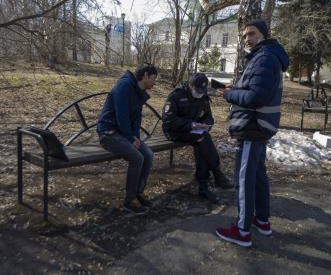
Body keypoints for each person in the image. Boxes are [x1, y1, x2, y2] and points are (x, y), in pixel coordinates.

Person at [215, 19, 289, 247]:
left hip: (252, 127)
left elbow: (256, 97)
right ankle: (262, 221)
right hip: (259, 126)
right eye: (245, 35)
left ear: (264, 35)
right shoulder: (265, 57)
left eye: (252, 34)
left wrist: (229, 95)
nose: (248, 39)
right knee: (258, 176)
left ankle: (242, 231)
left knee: (244, 179)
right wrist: (236, 89)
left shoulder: (264, 58)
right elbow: (256, 90)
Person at [162, 73, 233, 204]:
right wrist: (191, 124)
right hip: (174, 132)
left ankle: (205, 185)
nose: (200, 93)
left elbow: (208, 117)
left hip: (194, 132)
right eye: (198, 90)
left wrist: (205, 125)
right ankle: (215, 175)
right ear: (190, 85)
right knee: (202, 139)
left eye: (203, 91)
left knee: (201, 142)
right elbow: (168, 120)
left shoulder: (203, 97)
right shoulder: (177, 95)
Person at [97, 64, 158, 215]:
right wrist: (131, 138)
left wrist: (135, 137)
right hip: (108, 133)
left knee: (148, 154)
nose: (155, 82)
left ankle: (138, 193)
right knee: (137, 158)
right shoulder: (124, 86)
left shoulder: (140, 92)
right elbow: (121, 116)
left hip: (124, 134)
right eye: (154, 78)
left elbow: (136, 119)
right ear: (145, 76)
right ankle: (129, 201)